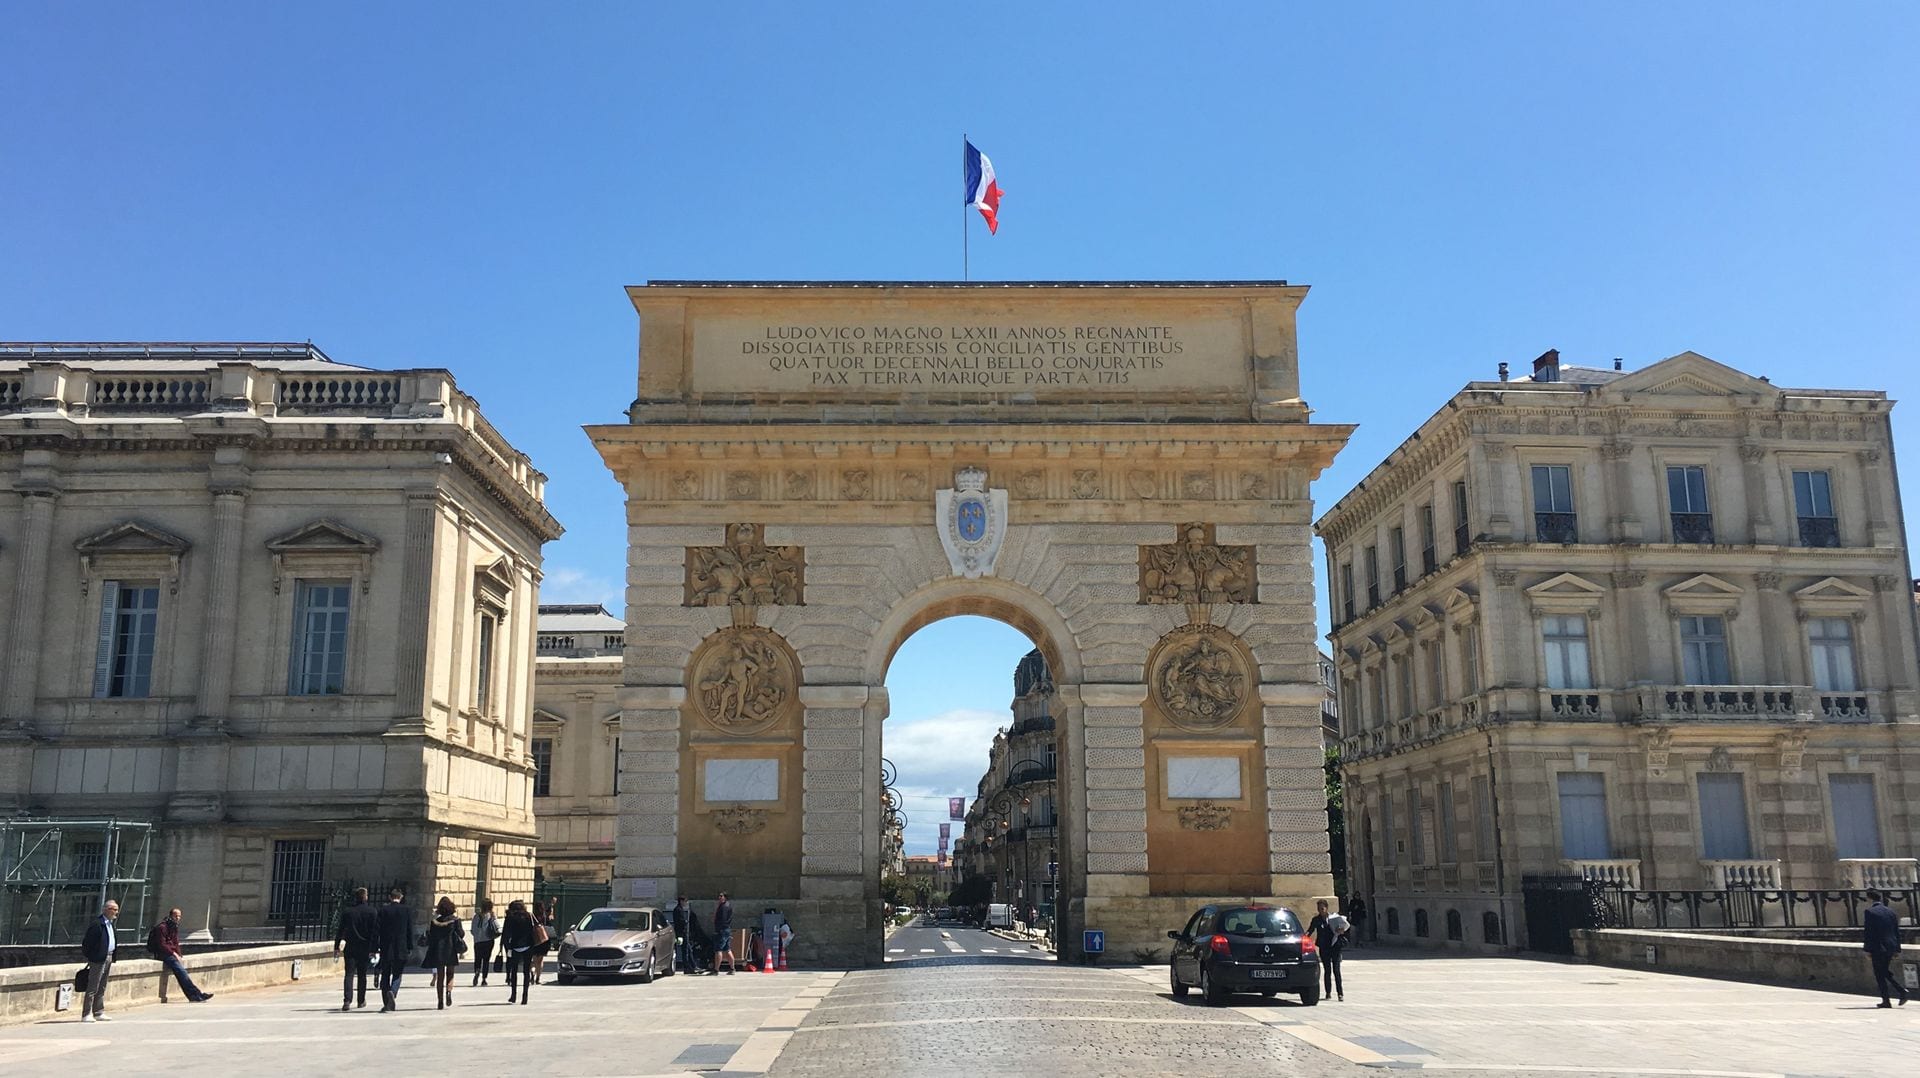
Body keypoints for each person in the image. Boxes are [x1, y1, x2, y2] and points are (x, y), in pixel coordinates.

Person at [147, 907, 212, 1004]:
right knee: (181, 972)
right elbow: (162, 944)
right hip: (163, 955)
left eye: (179, 916)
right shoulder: (162, 927)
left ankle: (196, 995)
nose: (177, 918)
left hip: (171, 955)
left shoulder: (174, 927)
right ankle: (195, 995)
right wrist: (174, 953)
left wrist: (179, 954)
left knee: (182, 972)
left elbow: (175, 942)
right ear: (170, 916)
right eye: (175, 916)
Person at [335, 886, 379, 1011]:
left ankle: (347, 1000)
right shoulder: (372, 912)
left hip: (351, 946)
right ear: (365, 897)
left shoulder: (348, 912)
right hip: (365, 947)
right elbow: (375, 933)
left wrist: (336, 946)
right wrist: (374, 949)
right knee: (362, 974)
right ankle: (361, 1000)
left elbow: (341, 930)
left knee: (349, 974)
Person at [1864, 890, 1908, 1008]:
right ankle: (1899, 992)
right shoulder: (1891, 912)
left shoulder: (1869, 912)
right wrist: (1897, 949)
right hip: (1890, 946)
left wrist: (1867, 949)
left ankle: (1889, 998)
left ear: (1869, 899)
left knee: (1880, 974)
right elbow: (1896, 931)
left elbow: (1869, 932)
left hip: (1878, 947)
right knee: (1884, 971)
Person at [79, 899, 120, 1023]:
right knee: (93, 987)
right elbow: (87, 943)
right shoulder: (97, 924)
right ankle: (86, 1013)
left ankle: (98, 1012)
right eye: (114, 910)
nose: (116, 913)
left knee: (102, 986)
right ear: (107, 910)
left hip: (109, 956)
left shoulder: (110, 924)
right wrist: (93, 957)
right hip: (98, 958)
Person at [374, 888, 414, 1012]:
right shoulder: (406, 910)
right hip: (401, 947)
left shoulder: (383, 910)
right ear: (400, 897)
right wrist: (410, 946)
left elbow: (377, 930)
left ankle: (387, 1003)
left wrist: (374, 947)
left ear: (390, 897)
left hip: (386, 948)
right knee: (397, 974)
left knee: (385, 974)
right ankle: (393, 992)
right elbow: (409, 930)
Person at [424, 896, 466, 1010]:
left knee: (440, 976)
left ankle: (440, 1001)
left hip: (438, 950)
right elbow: (461, 934)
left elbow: (431, 935)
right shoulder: (455, 921)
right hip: (451, 950)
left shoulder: (435, 922)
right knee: (451, 973)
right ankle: (449, 991)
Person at [1307, 899, 1351, 1001]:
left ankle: (1340, 993)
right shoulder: (1316, 919)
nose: (1321, 910)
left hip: (1335, 946)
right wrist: (1304, 937)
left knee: (1336, 970)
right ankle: (1328, 992)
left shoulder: (1334, 918)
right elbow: (1310, 930)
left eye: (1322, 908)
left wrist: (1341, 930)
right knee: (1327, 970)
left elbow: (1343, 928)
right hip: (1324, 946)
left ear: (1326, 908)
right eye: (1319, 909)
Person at [501, 899, 536, 1004]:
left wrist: (506, 946)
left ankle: (513, 995)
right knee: (526, 972)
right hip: (528, 946)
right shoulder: (528, 916)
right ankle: (525, 997)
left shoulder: (510, 918)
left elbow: (506, 933)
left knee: (514, 971)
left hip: (515, 946)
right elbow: (532, 931)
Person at [470, 899, 499, 987]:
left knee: (477, 958)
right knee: (486, 960)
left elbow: (472, 930)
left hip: (478, 941)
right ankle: (484, 979)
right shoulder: (491, 916)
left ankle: (477, 971)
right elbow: (497, 927)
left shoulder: (476, 916)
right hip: (488, 940)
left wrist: (477, 935)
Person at [529, 900, 554, 985]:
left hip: (534, 939)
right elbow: (550, 922)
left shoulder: (532, 916)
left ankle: (532, 971)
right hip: (544, 939)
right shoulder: (545, 916)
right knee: (540, 960)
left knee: (533, 959)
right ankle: (538, 978)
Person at [713, 892, 737, 975]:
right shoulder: (727, 905)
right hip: (726, 929)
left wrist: (719, 929)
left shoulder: (724, 907)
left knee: (718, 950)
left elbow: (722, 919)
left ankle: (716, 970)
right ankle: (732, 968)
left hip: (722, 930)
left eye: (721, 896)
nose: (719, 897)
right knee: (727, 949)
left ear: (725, 897)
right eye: (718, 896)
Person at [671, 896, 692, 973]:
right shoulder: (678, 910)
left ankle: (692, 966)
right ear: (681, 901)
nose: (686, 903)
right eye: (685, 901)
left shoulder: (680, 909)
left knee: (688, 949)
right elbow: (680, 922)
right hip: (681, 933)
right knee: (685, 950)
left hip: (682, 932)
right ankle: (687, 967)